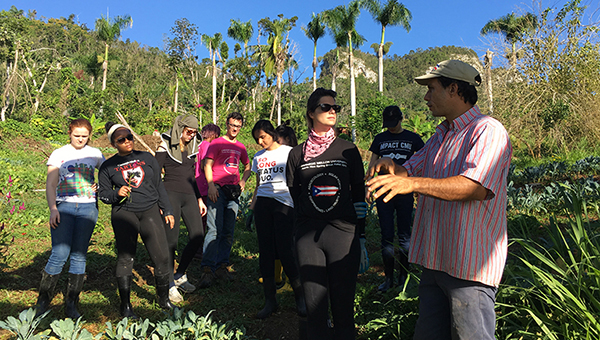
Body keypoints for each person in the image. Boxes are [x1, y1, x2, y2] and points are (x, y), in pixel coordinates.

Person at [366, 60, 512, 339]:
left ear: (454, 89)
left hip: (469, 266)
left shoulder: (487, 130)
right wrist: (390, 165)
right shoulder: (440, 136)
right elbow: (411, 169)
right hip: (435, 260)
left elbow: (475, 187)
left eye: (432, 89)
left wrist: (411, 183)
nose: (426, 97)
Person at [287, 88, 367, 339]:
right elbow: (294, 192)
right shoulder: (296, 154)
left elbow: (358, 194)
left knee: (343, 310)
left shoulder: (348, 150)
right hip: (308, 238)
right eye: (325, 107)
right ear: (311, 113)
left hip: (343, 235)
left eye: (335, 108)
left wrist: (361, 237)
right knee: (315, 311)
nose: (332, 111)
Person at [98, 122, 176, 318]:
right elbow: (104, 195)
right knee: (126, 258)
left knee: (163, 256)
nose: (127, 142)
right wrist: (117, 193)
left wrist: (167, 209)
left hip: (149, 211)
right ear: (114, 144)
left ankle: (163, 299)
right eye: (121, 140)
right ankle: (125, 306)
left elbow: (159, 185)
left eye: (129, 137)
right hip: (125, 214)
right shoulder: (108, 166)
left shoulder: (146, 158)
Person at [36, 118, 105, 319]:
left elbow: (110, 173)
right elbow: (50, 184)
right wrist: (53, 208)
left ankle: (72, 303)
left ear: (89, 135)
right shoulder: (60, 154)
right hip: (63, 207)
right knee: (59, 253)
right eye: (77, 136)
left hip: (88, 208)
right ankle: (43, 301)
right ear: (69, 133)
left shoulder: (95, 154)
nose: (81, 139)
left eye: (85, 136)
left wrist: (101, 186)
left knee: (79, 254)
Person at [249, 120, 306, 319]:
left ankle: (300, 298)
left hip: (284, 203)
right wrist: (253, 207)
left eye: (263, 136)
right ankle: (270, 301)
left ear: (272, 133)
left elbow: (299, 179)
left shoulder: (289, 152)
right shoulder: (258, 157)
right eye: (257, 138)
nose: (260, 141)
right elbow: (258, 184)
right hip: (263, 204)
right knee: (265, 252)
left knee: (286, 250)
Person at [367, 106, 424, 292]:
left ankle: (404, 279)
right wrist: (369, 185)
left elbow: (423, 161)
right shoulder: (380, 139)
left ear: (402, 119)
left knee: (405, 236)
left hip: (404, 191)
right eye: (388, 125)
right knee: (387, 235)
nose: (391, 128)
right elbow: (372, 165)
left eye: (394, 123)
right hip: (384, 191)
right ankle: (389, 279)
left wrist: (418, 186)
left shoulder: (413, 139)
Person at [156, 114, 207, 304]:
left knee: (197, 235)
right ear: (180, 128)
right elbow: (155, 175)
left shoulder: (192, 147)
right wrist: (162, 203)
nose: (191, 135)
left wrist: (199, 198)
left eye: (194, 133)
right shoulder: (164, 145)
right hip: (171, 195)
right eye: (188, 132)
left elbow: (191, 176)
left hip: (189, 196)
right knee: (172, 241)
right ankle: (168, 284)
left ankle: (179, 274)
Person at [198, 112, 251, 288]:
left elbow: (247, 166)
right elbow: (207, 165)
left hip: (233, 193)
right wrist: (211, 185)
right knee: (213, 229)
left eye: (238, 125)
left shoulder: (241, 147)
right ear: (226, 125)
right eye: (232, 125)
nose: (235, 128)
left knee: (228, 231)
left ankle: (222, 266)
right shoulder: (217, 143)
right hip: (218, 190)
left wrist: (243, 180)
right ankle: (207, 269)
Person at [194, 123, 221, 258]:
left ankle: (196, 246)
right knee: (204, 219)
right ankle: (200, 248)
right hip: (204, 185)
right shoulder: (207, 146)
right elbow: (205, 164)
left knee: (199, 217)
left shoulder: (198, 145)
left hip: (197, 183)